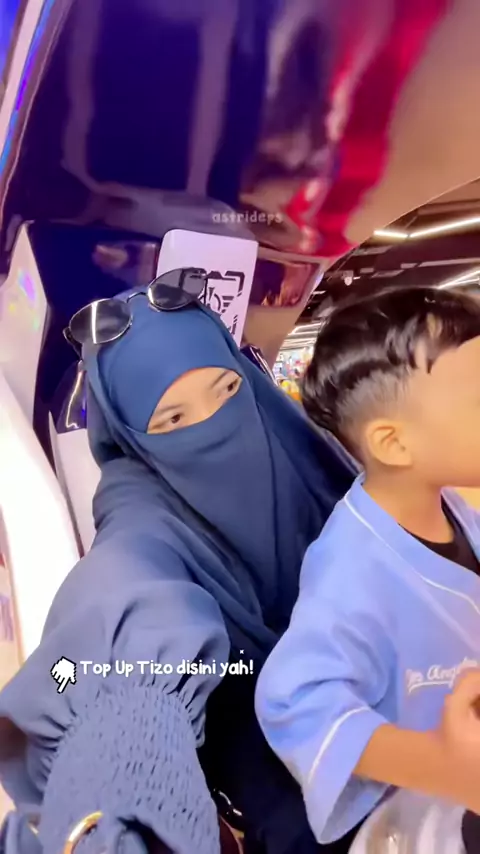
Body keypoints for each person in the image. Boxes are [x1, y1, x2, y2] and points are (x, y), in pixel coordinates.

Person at [0, 282, 356, 854]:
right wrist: (123, 823)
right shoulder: (144, 533)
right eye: (172, 419)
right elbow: (124, 643)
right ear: (133, 439)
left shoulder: (312, 460)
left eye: (227, 388)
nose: (216, 424)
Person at [255, 285, 480, 851]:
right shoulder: (351, 569)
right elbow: (293, 701)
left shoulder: (453, 511)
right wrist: (440, 763)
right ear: (394, 443)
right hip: (425, 825)